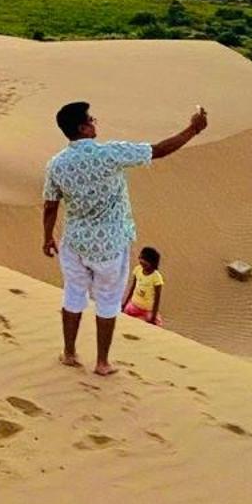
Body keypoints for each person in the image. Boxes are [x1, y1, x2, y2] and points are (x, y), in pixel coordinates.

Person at [42, 101, 207, 375]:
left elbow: (50, 205)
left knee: (73, 295)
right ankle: (102, 363)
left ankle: (70, 353)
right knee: (107, 302)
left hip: (75, 243)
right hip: (111, 244)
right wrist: (194, 129)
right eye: (91, 119)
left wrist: (47, 237)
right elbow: (159, 150)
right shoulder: (110, 154)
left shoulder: (56, 165)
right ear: (83, 127)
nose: (95, 122)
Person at [122, 245, 165, 325]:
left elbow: (157, 299)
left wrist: (153, 316)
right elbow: (132, 288)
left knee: (155, 324)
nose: (142, 261)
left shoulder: (156, 277)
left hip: (148, 309)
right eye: (141, 258)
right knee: (125, 316)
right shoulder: (137, 270)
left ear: (152, 262)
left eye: (145, 260)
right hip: (134, 305)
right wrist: (125, 303)